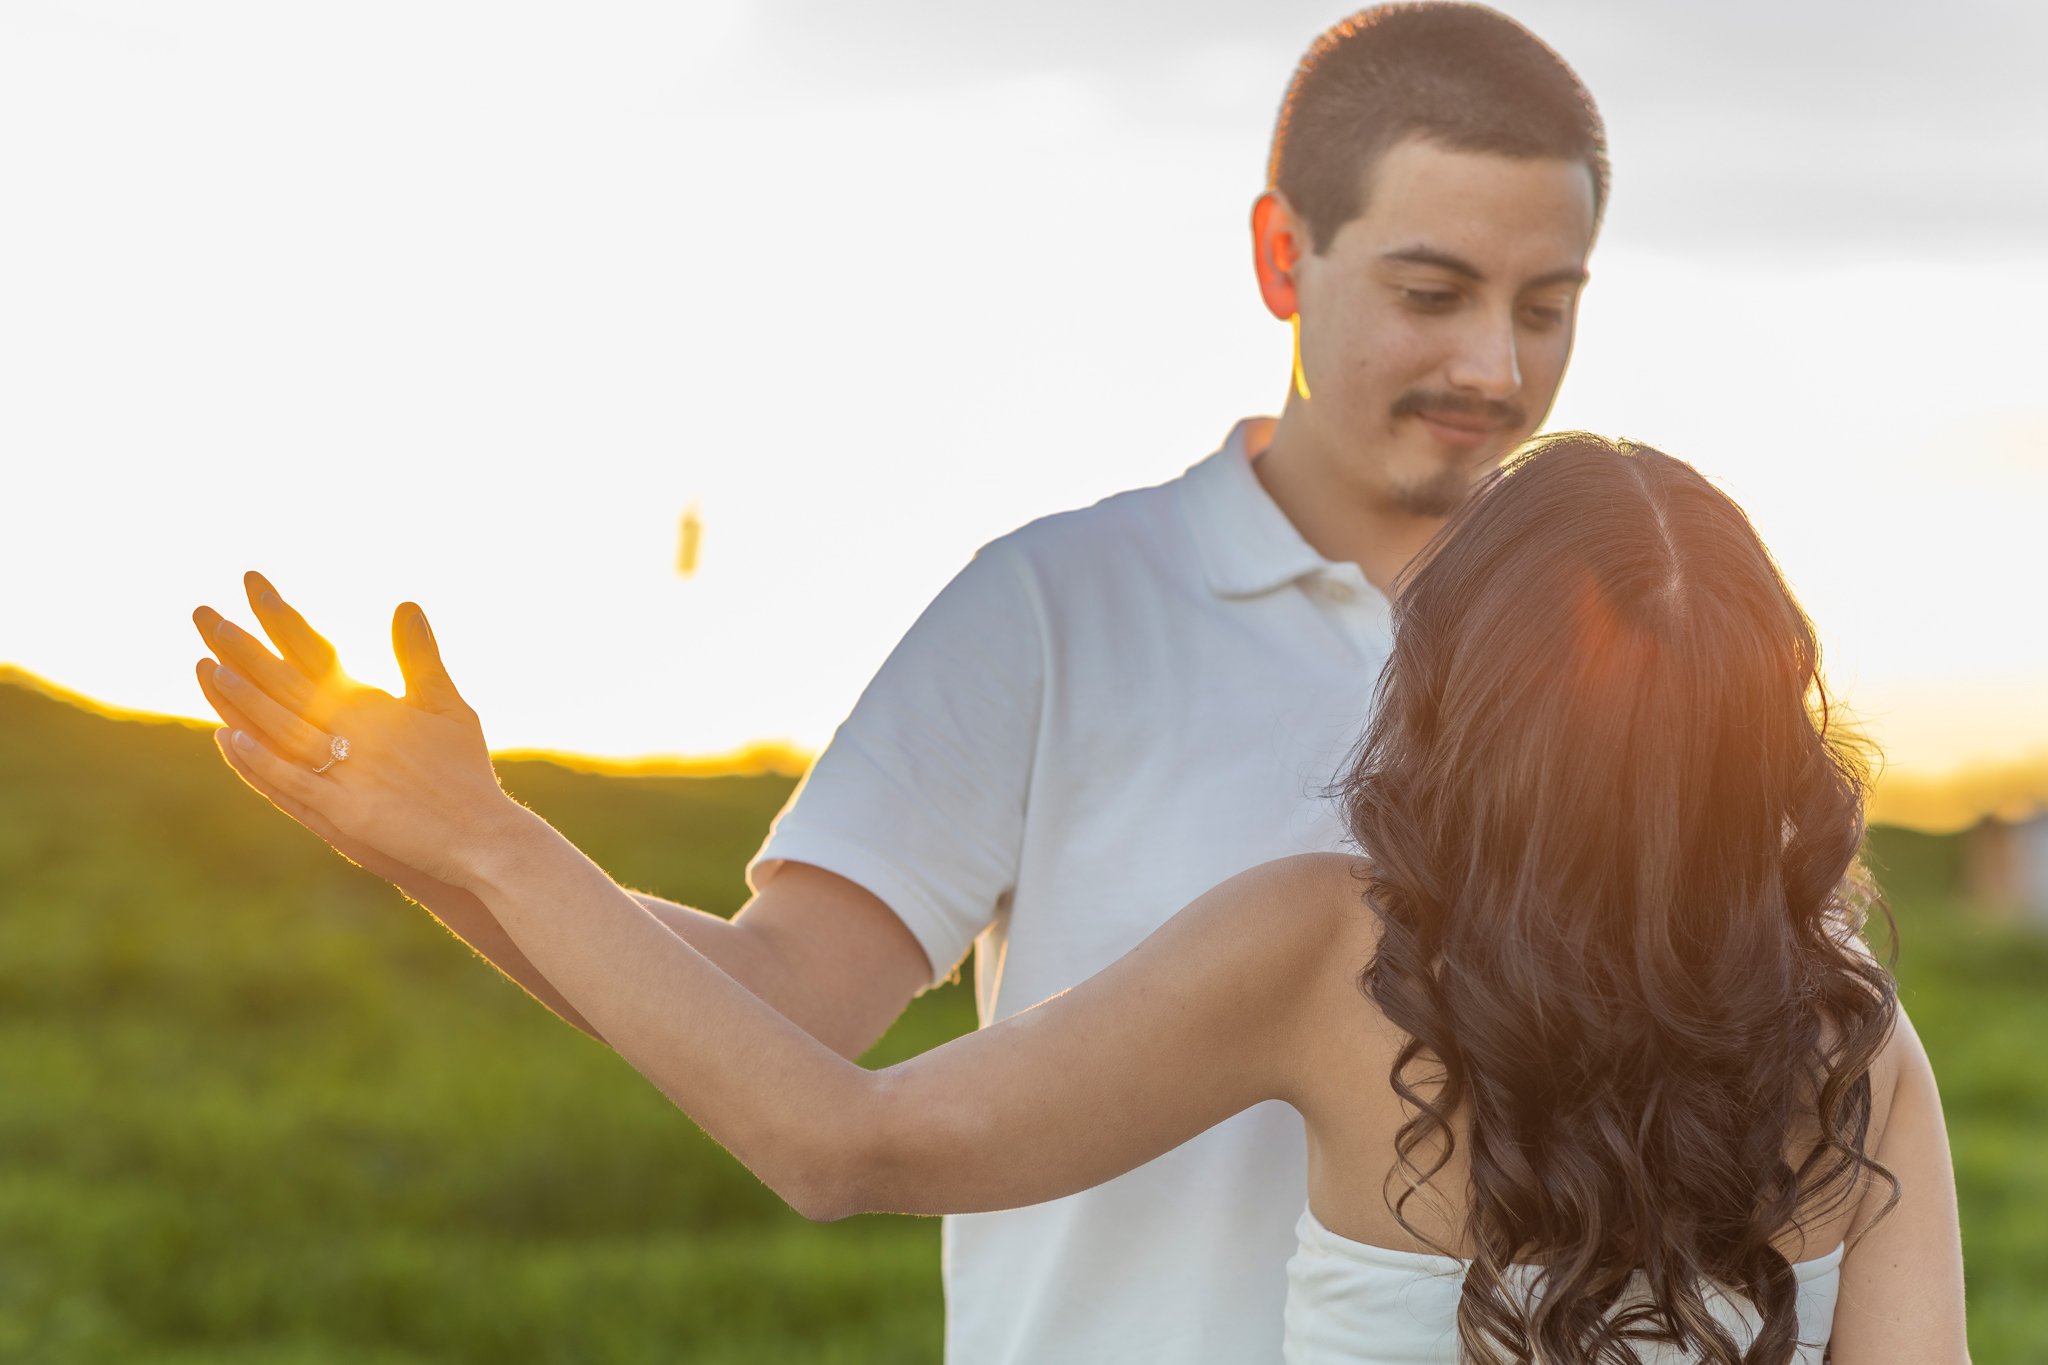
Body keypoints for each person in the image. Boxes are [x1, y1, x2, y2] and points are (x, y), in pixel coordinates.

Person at [195, 6, 1616, 1360]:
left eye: (1546, 307)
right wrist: (461, 841)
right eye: (1432, 295)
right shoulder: (1061, 606)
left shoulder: (1627, 656)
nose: (1494, 367)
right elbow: (786, 1008)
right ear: (1281, 255)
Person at [192, 435, 1969, 1361]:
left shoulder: (1338, 952)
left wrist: (493, 840)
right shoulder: (1860, 1053)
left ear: (1460, 703)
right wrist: (463, 845)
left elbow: (840, 1140)